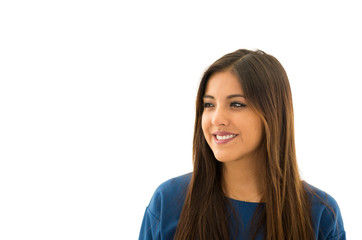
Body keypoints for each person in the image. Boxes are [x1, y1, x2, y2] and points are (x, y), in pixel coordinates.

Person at [138, 49, 346, 239]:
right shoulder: (168, 202)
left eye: (236, 104)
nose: (216, 119)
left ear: (272, 114)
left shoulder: (320, 214)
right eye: (209, 105)